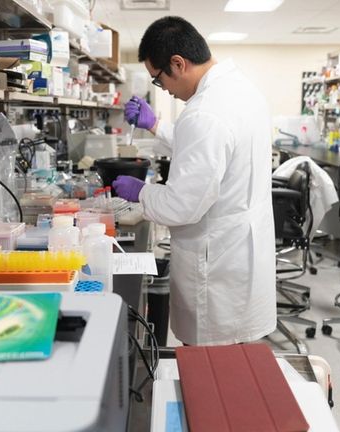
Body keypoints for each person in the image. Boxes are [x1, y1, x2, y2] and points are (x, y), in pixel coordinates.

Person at [112, 16, 276, 346]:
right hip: (242, 246)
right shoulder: (239, 89)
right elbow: (211, 152)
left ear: (178, 63)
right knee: (233, 353)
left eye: (159, 80)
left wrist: (142, 192)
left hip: (216, 260)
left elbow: (181, 207)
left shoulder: (204, 112)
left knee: (211, 362)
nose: (166, 91)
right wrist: (157, 125)